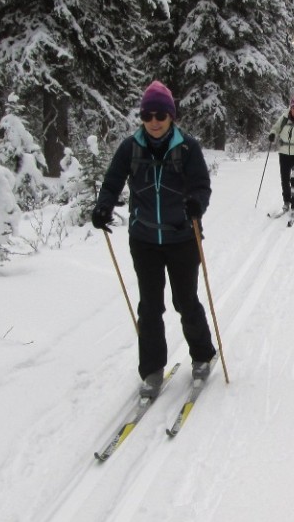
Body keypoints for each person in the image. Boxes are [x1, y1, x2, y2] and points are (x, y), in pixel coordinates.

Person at [91, 80, 217, 397]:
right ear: (142, 117)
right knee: (149, 307)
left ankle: (202, 356)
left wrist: (196, 204)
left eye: (161, 114)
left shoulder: (187, 147)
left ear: (171, 115)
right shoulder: (130, 147)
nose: (155, 121)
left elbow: (201, 185)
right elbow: (112, 181)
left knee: (185, 301)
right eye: (148, 115)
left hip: (182, 237)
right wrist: (103, 206)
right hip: (144, 238)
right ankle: (151, 370)